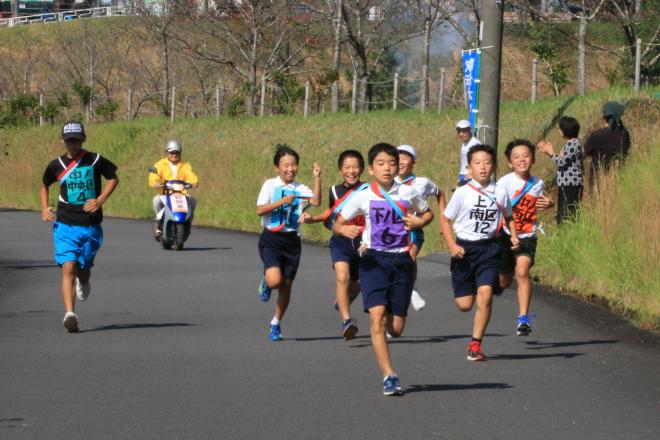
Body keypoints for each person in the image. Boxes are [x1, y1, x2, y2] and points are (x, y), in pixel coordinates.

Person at [332, 143, 433, 396]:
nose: (387, 168)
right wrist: (344, 230)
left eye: (391, 163)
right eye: (381, 163)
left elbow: (428, 213)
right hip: (373, 261)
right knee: (376, 318)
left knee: (395, 330)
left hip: (401, 262)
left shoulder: (407, 192)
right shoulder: (363, 195)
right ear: (372, 169)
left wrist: (419, 221)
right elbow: (338, 222)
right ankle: (389, 375)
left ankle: (395, 309)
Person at [440, 144, 519, 361]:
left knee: (485, 297)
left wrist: (513, 235)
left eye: (487, 163)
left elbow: (509, 217)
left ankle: (475, 346)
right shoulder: (463, 193)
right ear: (469, 168)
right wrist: (452, 246)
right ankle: (479, 284)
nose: (482, 167)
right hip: (464, 250)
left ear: (493, 167)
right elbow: (445, 220)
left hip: (489, 249)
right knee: (465, 305)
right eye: (477, 163)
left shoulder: (500, 192)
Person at [39, 121, 119, 332]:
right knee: (68, 267)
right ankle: (69, 313)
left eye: (76, 140)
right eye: (68, 140)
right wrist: (44, 207)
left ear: (83, 139)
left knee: (83, 270)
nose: (72, 144)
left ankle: (83, 282)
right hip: (65, 224)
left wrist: (100, 200)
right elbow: (44, 185)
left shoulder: (94, 160)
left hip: (90, 225)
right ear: (63, 141)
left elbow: (113, 178)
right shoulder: (56, 165)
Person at [257, 144, 321, 342]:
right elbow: (260, 210)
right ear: (277, 167)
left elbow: (316, 201)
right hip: (272, 238)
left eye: (294, 165)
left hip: (292, 241)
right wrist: (282, 202)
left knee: (286, 286)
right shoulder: (270, 185)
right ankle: (266, 281)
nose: (290, 169)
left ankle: (275, 323)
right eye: (286, 165)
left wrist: (317, 177)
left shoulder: (300, 188)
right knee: (275, 281)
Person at [301, 150, 367, 340]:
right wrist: (313, 219)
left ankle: (343, 299)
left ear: (362, 169)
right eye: (347, 167)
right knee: (342, 276)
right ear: (340, 170)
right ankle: (347, 321)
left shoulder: (370, 190)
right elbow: (331, 214)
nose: (352, 171)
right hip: (341, 242)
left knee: (357, 284)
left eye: (355, 167)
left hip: (364, 243)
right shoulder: (334, 191)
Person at [497, 139, 554, 336]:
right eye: (516, 157)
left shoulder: (537, 183)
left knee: (522, 272)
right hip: (504, 235)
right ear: (510, 162)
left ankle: (523, 317)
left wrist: (551, 204)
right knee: (504, 281)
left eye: (526, 156)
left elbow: (542, 200)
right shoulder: (503, 183)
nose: (522, 160)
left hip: (527, 235)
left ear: (533, 159)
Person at [395, 144, 446, 311]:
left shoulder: (422, 182)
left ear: (414, 162)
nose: (401, 162)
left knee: (410, 256)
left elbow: (440, 193)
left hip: (414, 229)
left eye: (405, 158)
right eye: (398, 158)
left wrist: (443, 219)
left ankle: (413, 289)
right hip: (391, 231)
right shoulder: (387, 182)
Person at [537, 117, 583, 224]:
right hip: (566, 183)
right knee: (563, 210)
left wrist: (551, 152)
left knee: (567, 211)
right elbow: (562, 160)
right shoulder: (570, 143)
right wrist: (548, 152)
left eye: (560, 128)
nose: (559, 131)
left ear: (565, 130)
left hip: (571, 183)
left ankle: (566, 230)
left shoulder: (573, 144)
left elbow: (561, 162)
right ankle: (563, 229)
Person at [148, 140, 199, 239]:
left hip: (181, 194)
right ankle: (159, 223)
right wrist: (156, 183)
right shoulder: (160, 164)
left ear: (180, 153)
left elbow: (190, 175)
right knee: (156, 201)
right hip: (165, 194)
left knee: (193, 200)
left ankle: (187, 222)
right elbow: (154, 176)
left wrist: (193, 182)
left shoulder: (185, 165)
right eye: (171, 152)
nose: (174, 155)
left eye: (177, 152)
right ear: (167, 152)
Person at [583, 101, 630, 189]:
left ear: (604, 117)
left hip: (598, 182)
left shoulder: (596, 135)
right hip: (618, 179)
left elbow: (585, 152)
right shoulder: (625, 134)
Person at [456, 119, 481, 185]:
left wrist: (471, 175)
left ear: (470, 130)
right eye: (459, 131)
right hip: (463, 174)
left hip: (470, 176)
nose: (461, 134)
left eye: (464, 131)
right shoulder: (464, 144)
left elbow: (479, 161)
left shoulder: (474, 143)